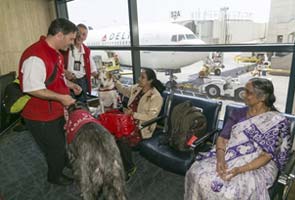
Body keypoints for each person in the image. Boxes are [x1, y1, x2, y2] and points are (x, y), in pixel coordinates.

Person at [185, 78, 291, 200]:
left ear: (262, 98)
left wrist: (240, 169)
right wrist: (220, 160)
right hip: (230, 154)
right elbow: (223, 138)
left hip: (260, 164)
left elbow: (267, 156)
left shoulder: (276, 121)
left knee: (231, 191)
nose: (243, 95)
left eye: (248, 92)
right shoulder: (238, 113)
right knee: (197, 173)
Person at [18, 18, 82, 186]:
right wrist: (62, 97)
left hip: (56, 111)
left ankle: (62, 161)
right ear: (59, 35)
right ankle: (54, 176)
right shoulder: (35, 56)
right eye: (70, 39)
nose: (72, 43)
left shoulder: (55, 52)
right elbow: (32, 88)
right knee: (55, 148)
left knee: (63, 142)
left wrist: (70, 85)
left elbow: (56, 78)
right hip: (41, 117)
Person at [114, 68, 165, 180]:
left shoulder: (155, 97)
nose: (139, 79)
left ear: (150, 81)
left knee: (122, 139)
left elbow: (151, 117)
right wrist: (115, 82)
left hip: (142, 127)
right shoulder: (137, 88)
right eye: (139, 76)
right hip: (127, 121)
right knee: (111, 131)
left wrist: (133, 114)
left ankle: (129, 167)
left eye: (142, 77)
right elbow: (124, 90)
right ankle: (117, 160)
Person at [63, 23, 98, 102]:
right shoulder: (66, 48)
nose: (80, 36)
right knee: (70, 104)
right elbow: (56, 65)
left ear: (86, 36)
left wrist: (104, 77)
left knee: (82, 105)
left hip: (82, 82)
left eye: (84, 34)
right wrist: (65, 72)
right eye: (78, 33)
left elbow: (92, 70)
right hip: (68, 81)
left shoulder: (86, 50)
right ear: (74, 33)